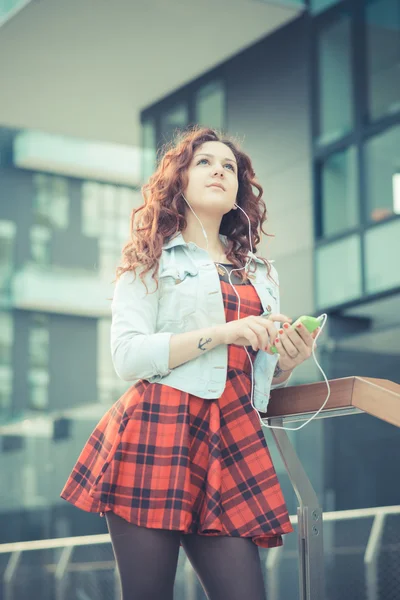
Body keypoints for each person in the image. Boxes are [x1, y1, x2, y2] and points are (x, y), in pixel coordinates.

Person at [61, 126, 318, 600]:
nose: (219, 170)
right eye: (205, 162)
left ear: (240, 189)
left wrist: (288, 361)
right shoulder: (150, 257)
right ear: (179, 180)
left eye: (229, 167)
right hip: (158, 432)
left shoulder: (260, 271)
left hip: (234, 435)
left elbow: (260, 370)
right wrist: (222, 333)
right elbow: (127, 356)